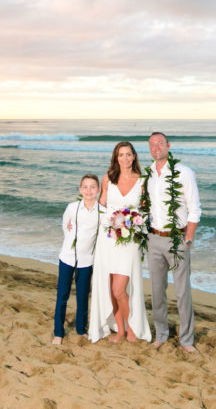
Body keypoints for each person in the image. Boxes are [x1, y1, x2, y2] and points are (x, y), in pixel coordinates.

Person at [88, 142, 153, 343]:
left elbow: (145, 211)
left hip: (130, 241)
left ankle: (132, 328)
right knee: (110, 288)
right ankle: (121, 331)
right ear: (116, 158)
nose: (124, 159)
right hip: (108, 239)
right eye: (121, 155)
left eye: (128, 154)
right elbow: (101, 207)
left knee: (120, 289)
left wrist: (134, 225)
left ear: (134, 157)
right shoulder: (109, 179)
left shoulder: (143, 180)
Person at [144, 132, 201, 352]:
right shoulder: (148, 174)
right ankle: (161, 334)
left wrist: (188, 239)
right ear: (149, 148)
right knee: (157, 291)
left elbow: (194, 208)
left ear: (168, 145)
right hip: (154, 238)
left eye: (160, 143)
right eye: (152, 145)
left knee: (182, 292)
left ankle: (187, 340)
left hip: (177, 239)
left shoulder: (183, 173)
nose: (156, 148)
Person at [52, 174, 101, 345]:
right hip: (67, 258)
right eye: (85, 187)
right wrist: (70, 239)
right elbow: (65, 225)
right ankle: (58, 332)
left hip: (86, 261)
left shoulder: (101, 212)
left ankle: (81, 329)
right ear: (80, 190)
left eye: (93, 187)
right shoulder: (72, 207)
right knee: (62, 295)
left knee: (82, 296)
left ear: (98, 190)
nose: (89, 190)